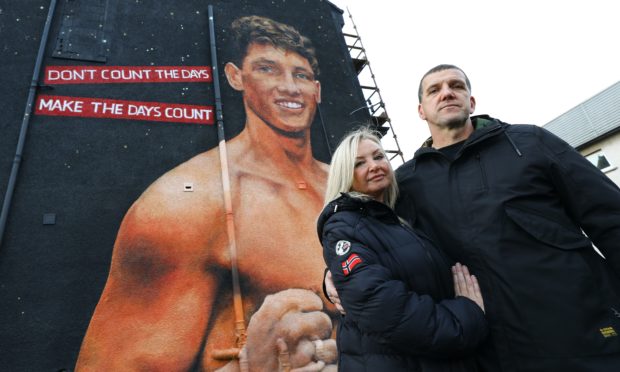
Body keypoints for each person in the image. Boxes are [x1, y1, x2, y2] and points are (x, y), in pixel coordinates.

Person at [76, 16, 337, 371]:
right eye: (267, 69)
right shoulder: (188, 202)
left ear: (317, 89)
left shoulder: (347, 187)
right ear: (235, 76)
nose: (289, 87)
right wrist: (248, 367)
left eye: (301, 75)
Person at [328, 64, 620, 371]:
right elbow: (370, 237)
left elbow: (609, 217)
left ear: (471, 101)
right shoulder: (407, 182)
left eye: (456, 85)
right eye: (434, 90)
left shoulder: (528, 144)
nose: (446, 93)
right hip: (490, 351)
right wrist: (331, 275)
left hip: (583, 334)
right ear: (421, 111)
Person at [317, 128, 488, 371]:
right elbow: (382, 308)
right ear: (345, 175)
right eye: (360, 163)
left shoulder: (396, 217)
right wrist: (463, 320)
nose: (374, 165)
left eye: (378, 156)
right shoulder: (343, 225)